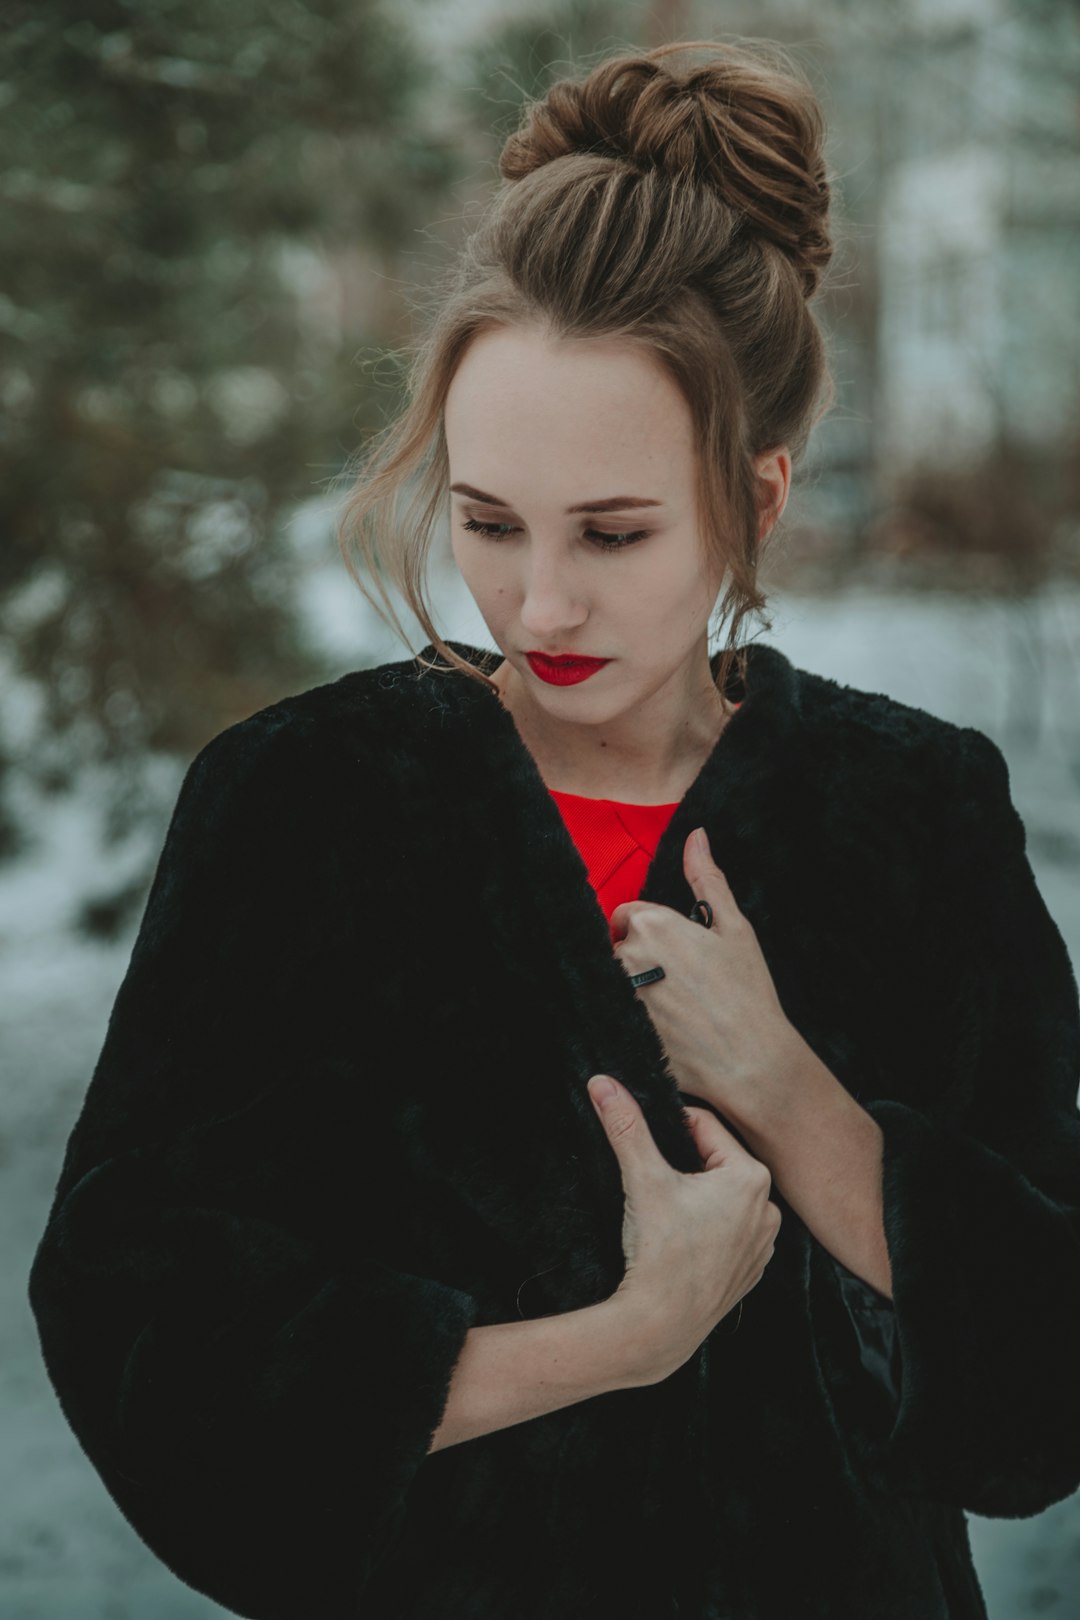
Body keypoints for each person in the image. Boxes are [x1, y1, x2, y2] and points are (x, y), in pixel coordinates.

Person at [27, 36, 1080, 1620]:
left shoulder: (913, 816)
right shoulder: (306, 808)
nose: (540, 599)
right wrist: (616, 1342)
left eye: (617, 530)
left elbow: (1042, 1390)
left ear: (760, 497)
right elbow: (144, 1335)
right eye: (488, 518)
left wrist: (795, 1099)